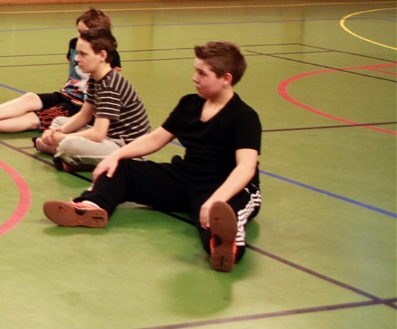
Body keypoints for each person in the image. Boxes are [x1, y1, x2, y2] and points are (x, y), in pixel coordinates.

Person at [44, 41, 262, 272]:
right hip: (186, 177)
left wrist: (214, 200)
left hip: (227, 186)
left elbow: (246, 168)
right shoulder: (189, 104)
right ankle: (90, 207)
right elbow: (156, 138)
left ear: (226, 78)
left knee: (220, 217)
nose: (194, 78)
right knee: (123, 168)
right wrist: (115, 156)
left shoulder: (244, 116)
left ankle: (225, 248)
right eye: (195, 70)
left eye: (201, 73)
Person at [0, 7, 120, 136]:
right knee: (29, 98)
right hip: (66, 94)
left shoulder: (109, 56)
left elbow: (109, 86)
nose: (78, 36)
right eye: (78, 31)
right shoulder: (74, 44)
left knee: (35, 118)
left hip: (82, 106)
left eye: (83, 33)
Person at [32, 27, 149, 171]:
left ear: (102, 55)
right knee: (58, 122)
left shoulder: (110, 86)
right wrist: (59, 131)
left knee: (69, 144)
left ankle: (67, 154)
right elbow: (84, 115)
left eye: (83, 54)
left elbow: (98, 134)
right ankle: (69, 156)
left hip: (127, 150)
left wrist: (65, 138)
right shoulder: (96, 78)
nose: (76, 59)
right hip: (109, 138)